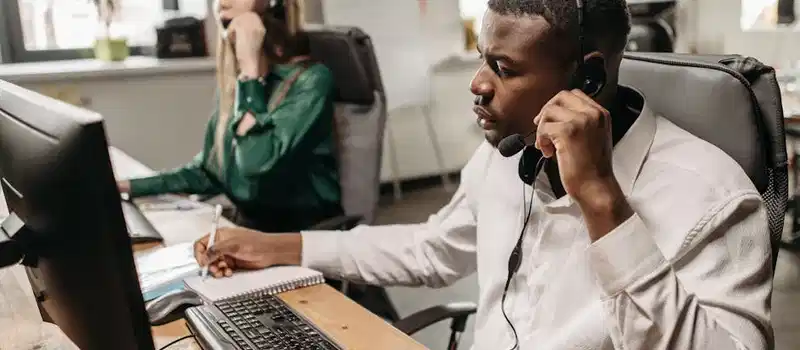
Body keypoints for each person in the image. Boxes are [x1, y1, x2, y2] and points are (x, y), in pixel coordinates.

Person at [193, 0, 774, 348]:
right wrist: (280, 247)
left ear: (589, 80)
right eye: (480, 57)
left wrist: (604, 206)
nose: (478, 84)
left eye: (503, 68)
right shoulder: (510, 155)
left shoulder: (712, 198)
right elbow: (430, 251)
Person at [118, 0, 343, 233]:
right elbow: (209, 172)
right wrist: (126, 186)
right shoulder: (237, 85)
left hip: (302, 238)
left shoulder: (311, 81)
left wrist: (250, 73)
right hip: (253, 234)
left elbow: (255, 165)